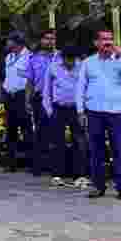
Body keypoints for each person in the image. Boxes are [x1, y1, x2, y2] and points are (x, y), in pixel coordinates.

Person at [76, 28, 121, 199]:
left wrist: (120, 58)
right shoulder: (88, 62)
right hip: (94, 112)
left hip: (116, 112)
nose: (108, 42)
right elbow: (80, 87)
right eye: (104, 39)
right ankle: (98, 186)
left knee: (120, 150)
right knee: (96, 151)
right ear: (96, 43)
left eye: (110, 39)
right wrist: (80, 110)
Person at [42, 45, 89, 189]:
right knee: (57, 142)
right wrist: (49, 110)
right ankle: (57, 175)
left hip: (77, 109)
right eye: (67, 59)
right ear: (62, 58)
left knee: (79, 141)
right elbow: (46, 91)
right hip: (58, 108)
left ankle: (80, 175)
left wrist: (84, 110)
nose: (70, 62)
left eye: (72, 59)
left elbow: (86, 88)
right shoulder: (53, 67)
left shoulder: (82, 67)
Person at [27, 29, 59, 177]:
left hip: (56, 99)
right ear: (41, 41)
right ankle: (38, 166)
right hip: (39, 99)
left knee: (56, 132)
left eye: (52, 39)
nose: (49, 41)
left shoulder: (61, 57)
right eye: (47, 38)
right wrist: (27, 100)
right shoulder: (34, 59)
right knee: (40, 131)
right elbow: (30, 81)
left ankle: (56, 166)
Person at [2, 32, 33, 173]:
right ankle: (11, 163)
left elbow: (30, 79)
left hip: (22, 96)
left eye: (9, 40)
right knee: (11, 130)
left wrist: (28, 99)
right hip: (10, 96)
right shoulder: (9, 57)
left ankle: (31, 162)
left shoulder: (29, 57)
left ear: (17, 42)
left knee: (26, 130)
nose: (7, 43)